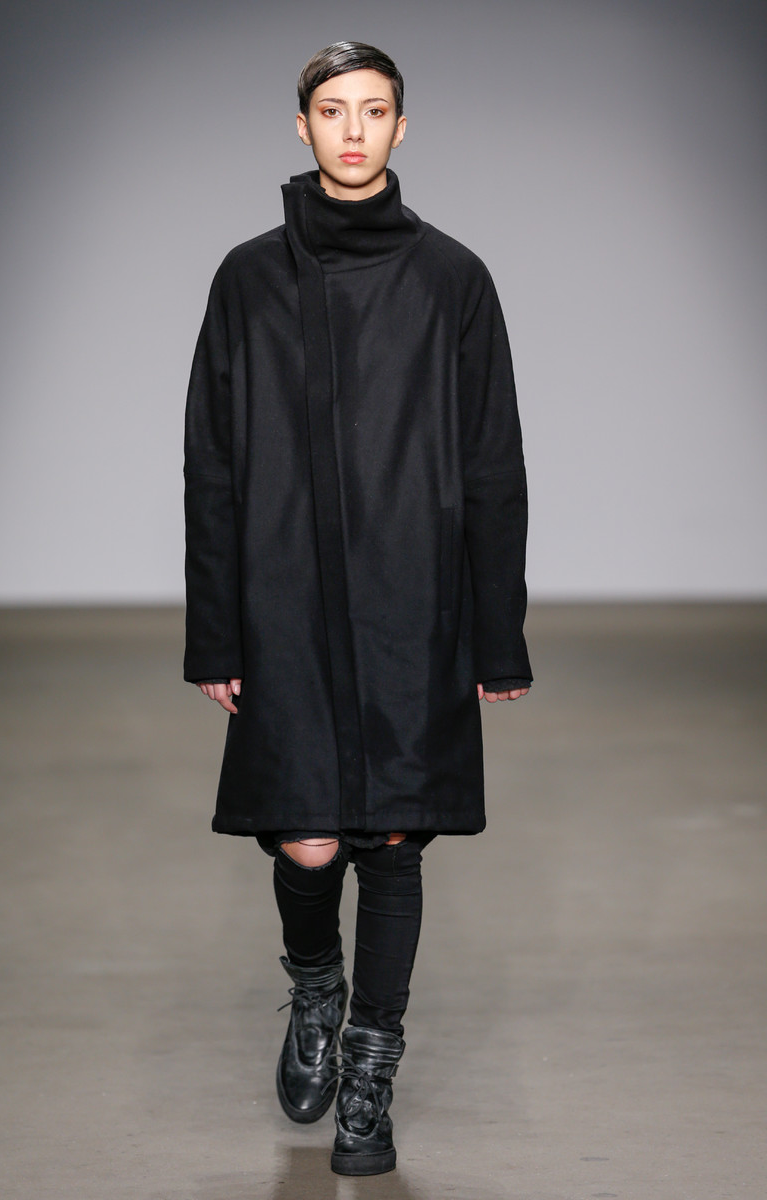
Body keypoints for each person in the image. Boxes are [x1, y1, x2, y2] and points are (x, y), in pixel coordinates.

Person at [183, 41, 531, 1177]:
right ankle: (314, 990)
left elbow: (492, 460)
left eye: (372, 111)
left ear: (399, 127)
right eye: (331, 111)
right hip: (281, 590)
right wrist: (215, 627)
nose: (351, 130)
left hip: (408, 591)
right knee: (307, 833)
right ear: (301, 126)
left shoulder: (452, 278)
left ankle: (371, 1071)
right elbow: (211, 461)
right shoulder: (247, 278)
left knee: (388, 836)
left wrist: (496, 631)